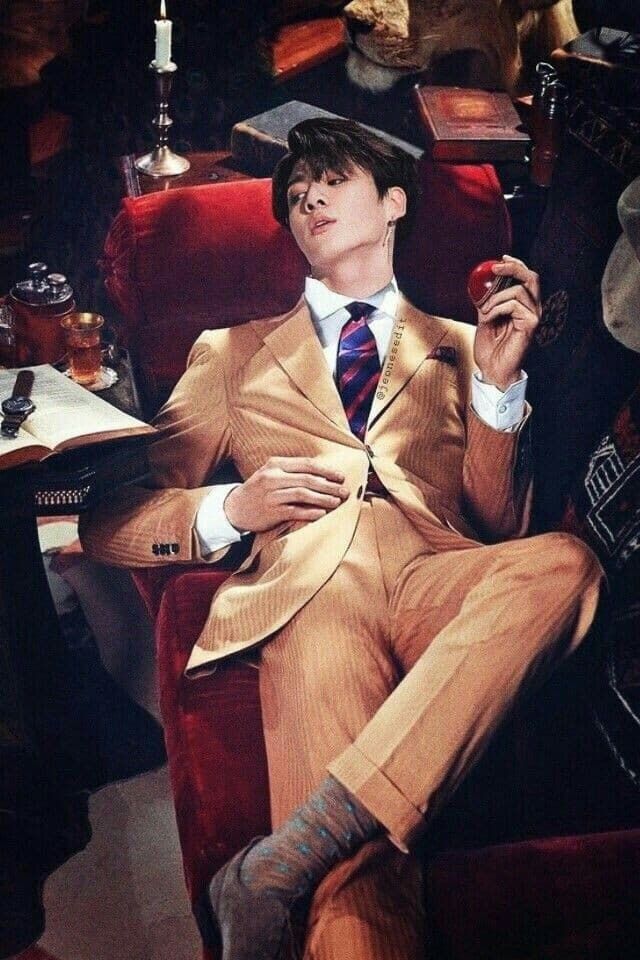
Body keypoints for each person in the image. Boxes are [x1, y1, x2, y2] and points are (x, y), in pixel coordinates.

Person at [80, 118, 603, 960]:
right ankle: (322, 853)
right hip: (314, 599)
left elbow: (500, 527)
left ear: (394, 203)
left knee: (569, 564)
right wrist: (233, 509)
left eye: (332, 181)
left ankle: (287, 855)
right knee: (361, 887)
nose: (310, 201)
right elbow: (109, 520)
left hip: (439, 582)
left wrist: (497, 390)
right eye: (296, 195)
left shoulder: (467, 346)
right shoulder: (232, 354)